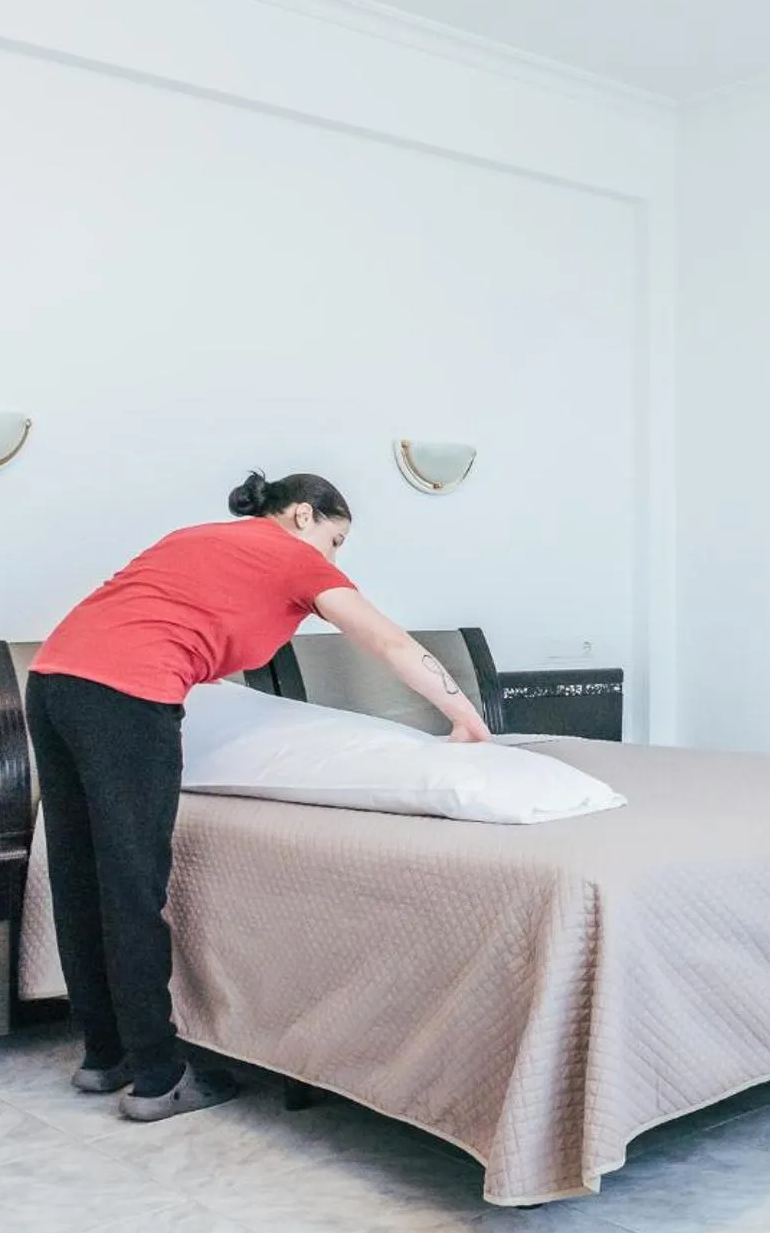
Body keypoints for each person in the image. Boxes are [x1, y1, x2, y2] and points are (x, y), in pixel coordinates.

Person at [25, 470, 492, 1121]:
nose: (333, 559)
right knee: (133, 883)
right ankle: (160, 1075)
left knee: (80, 875)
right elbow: (388, 640)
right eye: (336, 539)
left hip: (51, 681)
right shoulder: (293, 556)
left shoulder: (198, 539)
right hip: (125, 695)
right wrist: (468, 716)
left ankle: (106, 1056)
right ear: (302, 514)